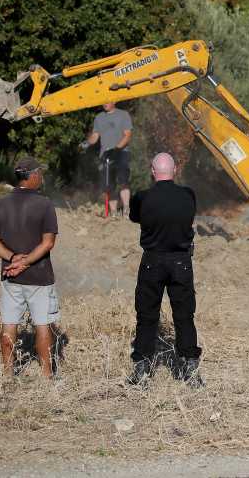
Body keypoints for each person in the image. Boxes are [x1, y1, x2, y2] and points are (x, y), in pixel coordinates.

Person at [126, 152, 202, 387]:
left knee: (147, 316)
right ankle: (190, 369)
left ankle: (142, 370)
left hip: (152, 261)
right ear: (175, 170)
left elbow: (135, 218)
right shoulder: (188, 195)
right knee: (184, 316)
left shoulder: (141, 197)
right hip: (181, 262)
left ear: (152, 171)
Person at [0, 155, 60, 378]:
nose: (42, 178)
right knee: (43, 325)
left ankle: (8, 375)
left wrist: (13, 258)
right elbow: (48, 242)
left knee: (9, 324)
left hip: (10, 277)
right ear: (33, 176)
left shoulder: (1, 203)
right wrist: (25, 262)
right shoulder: (44, 204)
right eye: (41, 174)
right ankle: (46, 376)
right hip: (39, 277)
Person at [83, 102, 132, 216]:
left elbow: (127, 135)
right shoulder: (99, 117)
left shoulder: (123, 115)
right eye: (103, 101)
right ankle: (113, 213)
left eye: (107, 100)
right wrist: (86, 143)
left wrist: (116, 149)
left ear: (114, 101)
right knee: (109, 185)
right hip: (105, 155)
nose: (104, 103)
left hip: (121, 153)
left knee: (123, 181)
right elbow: (95, 136)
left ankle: (126, 209)